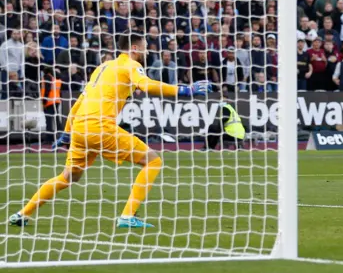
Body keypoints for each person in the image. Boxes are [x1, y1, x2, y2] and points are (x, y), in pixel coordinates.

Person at [9, 32, 214, 228]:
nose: (147, 53)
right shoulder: (131, 65)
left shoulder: (103, 67)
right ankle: (127, 216)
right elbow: (146, 85)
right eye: (144, 48)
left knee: (67, 177)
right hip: (100, 127)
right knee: (153, 161)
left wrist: (67, 131)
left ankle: (22, 214)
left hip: (80, 127)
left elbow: (81, 100)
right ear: (134, 48)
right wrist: (185, 89)